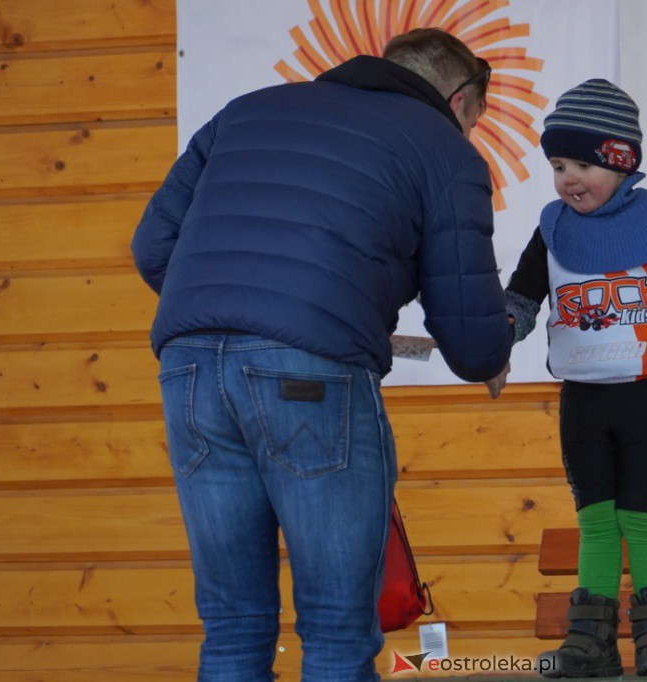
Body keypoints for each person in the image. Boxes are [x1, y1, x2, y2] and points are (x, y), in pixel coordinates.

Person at [130, 28, 512, 681]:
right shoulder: (442, 148)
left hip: (188, 369)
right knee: (336, 628)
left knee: (232, 628)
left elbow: (152, 249)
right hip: (310, 376)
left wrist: (254, 311)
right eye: (476, 117)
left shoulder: (246, 111)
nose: (472, 132)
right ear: (459, 100)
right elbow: (472, 340)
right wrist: (492, 350)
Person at [500, 79, 647, 677]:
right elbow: (521, 300)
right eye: (557, 165)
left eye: (584, 164)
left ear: (620, 161)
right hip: (582, 405)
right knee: (596, 523)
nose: (569, 178)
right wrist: (495, 338)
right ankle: (591, 642)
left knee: (645, 524)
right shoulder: (552, 228)